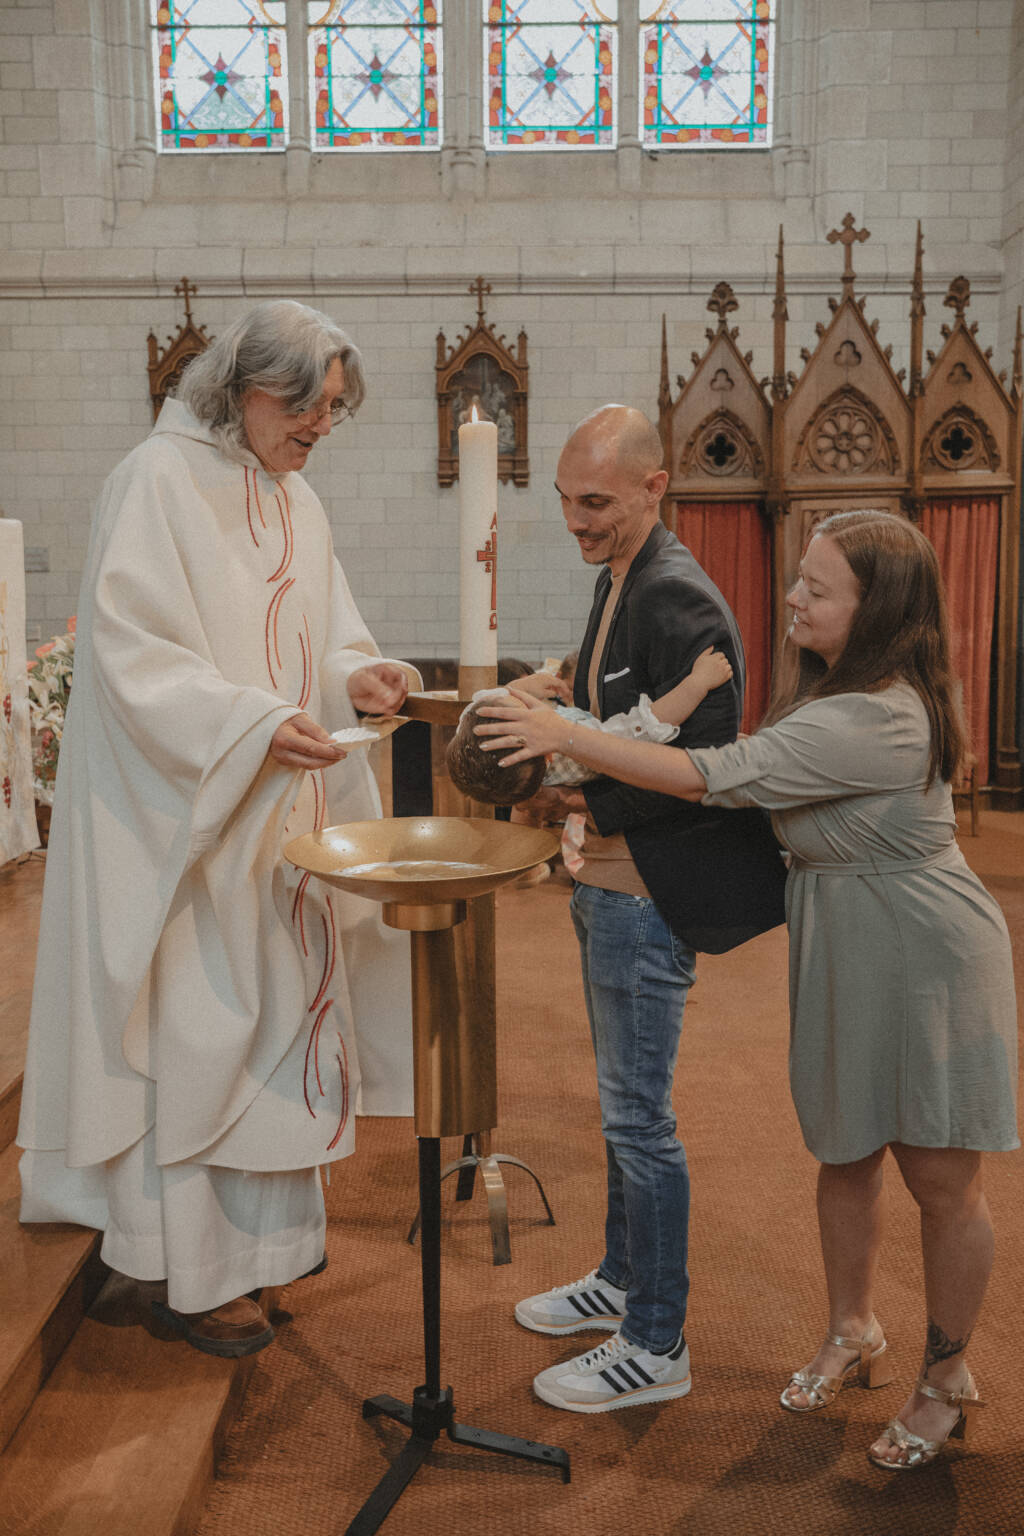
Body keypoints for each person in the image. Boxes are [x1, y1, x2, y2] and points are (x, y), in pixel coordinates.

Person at [478, 508, 1018, 1467]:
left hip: (924, 957)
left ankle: (947, 1377)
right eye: (800, 578)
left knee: (940, 1179)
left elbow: (713, 776)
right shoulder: (833, 693)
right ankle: (854, 1329)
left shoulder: (877, 713)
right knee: (844, 1151)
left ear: (879, 611)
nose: (793, 597)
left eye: (817, 588)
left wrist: (566, 735)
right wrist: (580, 791)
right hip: (847, 943)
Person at [17, 300, 420, 1360]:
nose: (323, 426)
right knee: (199, 1034)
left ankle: (259, 1257)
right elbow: (133, 658)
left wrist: (356, 675)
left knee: (275, 1031)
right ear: (246, 387)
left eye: (335, 408)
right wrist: (248, 725)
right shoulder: (152, 482)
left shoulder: (296, 498)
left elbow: (321, 635)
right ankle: (182, 1274)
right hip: (185, 826)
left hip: (273, 818)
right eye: (310, 404)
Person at [472, 403, 785, 1416]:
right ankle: (619, 1282)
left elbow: (702, 768)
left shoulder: (678, 598)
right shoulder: (623, 578)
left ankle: (655, 1341)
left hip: (648, 893)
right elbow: (613, 705)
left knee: (640, 1121)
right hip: (608, 882)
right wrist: (548, 691)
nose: (577, 522)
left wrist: (570, 791)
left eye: (595, 502)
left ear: (656, 488)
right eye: (565, 503)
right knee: (619, 1111)